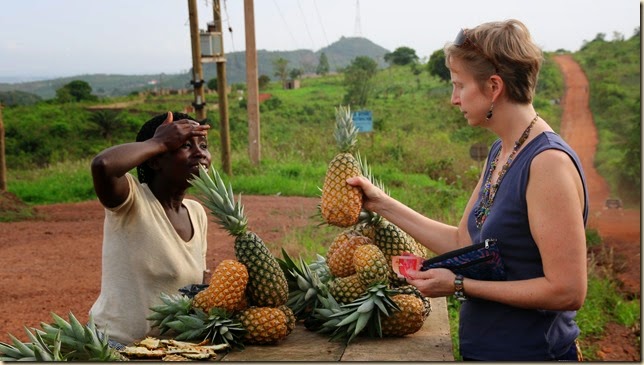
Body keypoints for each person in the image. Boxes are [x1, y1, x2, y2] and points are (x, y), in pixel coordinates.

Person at [348, 19, 588, 361]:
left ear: (493, 87)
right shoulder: (502, 150)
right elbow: (464, 241)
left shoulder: (547, 164)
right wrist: (382, 204)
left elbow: (567, 290)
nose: (453, 99)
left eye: (459, 86)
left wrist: (459, 285)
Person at [89, 111, 212, 348]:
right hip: (115, 347)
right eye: (185, 145)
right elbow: (103, 165)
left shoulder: (196, 213)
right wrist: (158, 142)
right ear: (155, 159)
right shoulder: (132, 201)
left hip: (166, 349)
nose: (201, 153)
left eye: (204, 145)